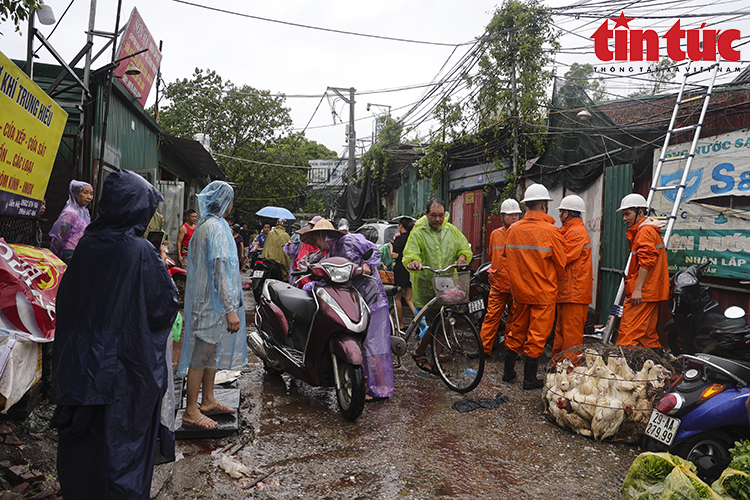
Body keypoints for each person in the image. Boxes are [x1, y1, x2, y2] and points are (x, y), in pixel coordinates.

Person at [50, 169, 179, 500]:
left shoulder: (87, 246)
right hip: (125, 372)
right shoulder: (139, 252)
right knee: (121, 452)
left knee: (82, 453)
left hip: (80, 371)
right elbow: (163, 307)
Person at [177, 181, 247, 429]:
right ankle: (191, 410)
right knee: (201, 354)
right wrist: (230, 309)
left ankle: (207, 400)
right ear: (224, 203)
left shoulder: (205, 225)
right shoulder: (216, 227)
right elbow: (219, 269)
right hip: (210, 303)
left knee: (210, 352)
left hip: (206, 301)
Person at [301, 219, 394, 399]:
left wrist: (368, 263)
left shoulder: (350, 241)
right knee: (362, 343)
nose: (317, 244)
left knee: (373, 346)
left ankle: (380, 389)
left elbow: (373, 250)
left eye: (317, 239)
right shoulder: (329, 255)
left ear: (324, 236)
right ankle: (368, 384)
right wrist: (311, 286)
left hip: (372, 297)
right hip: (354, 302)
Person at [503, 184, 566, 390]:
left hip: (520, 292)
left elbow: (507, 257)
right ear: (544, 204)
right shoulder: (552, 231)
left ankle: (508, 372)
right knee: (537, 336)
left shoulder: (512, 230)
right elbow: (561, 264)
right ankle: (529, 379)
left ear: (526, 205)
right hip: (543, 293)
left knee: (516, 330)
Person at [403, 199, 472, 373]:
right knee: (438, 324)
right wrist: (413, 261)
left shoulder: (452, 230)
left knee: (443, 324)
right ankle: (431, 359)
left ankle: (425, 354)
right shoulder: (418, 232)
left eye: (441, 215)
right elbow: (410, 253)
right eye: (433, 215)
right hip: (427, 286)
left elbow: (463, 248)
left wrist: (462, 257)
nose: (438, 219)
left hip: (448, 285)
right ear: (426, 214)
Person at [615, 193, 669, 351]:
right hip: (650, 290)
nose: (625, 218)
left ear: (640, 211)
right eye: (624, 214)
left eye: (627, 214)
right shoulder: (648, 229)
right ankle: (657, 368)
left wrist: (637, 289)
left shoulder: (644, 231)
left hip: (643, 292)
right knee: (647, 335)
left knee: (628, 334)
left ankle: (625, 371)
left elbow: (646, 262)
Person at [475, 199, 522, 359]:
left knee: (514, 320)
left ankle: (510, 351)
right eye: (510, 215)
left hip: (516, 285)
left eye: (516, 214)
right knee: (491, 317)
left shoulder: (522, 233)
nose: (514, 217)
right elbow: (492, 258)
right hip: (498, 283)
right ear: (502, 216)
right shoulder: (495, 234)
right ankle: (483, 350)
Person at [552, 195, 593, 357]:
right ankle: (558, 366)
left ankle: (570, 371)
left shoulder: (576, 233)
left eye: (561, 211)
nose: (560, 214)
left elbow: (563, 257)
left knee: (571, 335)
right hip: (568, 292)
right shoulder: (570, 231)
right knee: (562, 332)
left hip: (574, 293)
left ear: (567, 213)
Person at [49, 180, 93, 263]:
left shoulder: (85, 213)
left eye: (91, 194)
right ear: (75, 194)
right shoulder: (70, 212)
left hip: (80, 252)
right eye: (85, 193)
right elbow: (59, 236)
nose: (89, 197)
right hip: (69, 254)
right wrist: (53, 257)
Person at [390, 216, 416, 330]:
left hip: (400, 270)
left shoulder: (399, 239)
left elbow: (394, 255)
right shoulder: (412, 238)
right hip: (410, 270)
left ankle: (400, 324)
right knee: (409, 299)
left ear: (401, 226)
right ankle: (421, 322)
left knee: (397, 298)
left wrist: (391, 248)